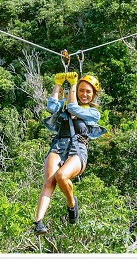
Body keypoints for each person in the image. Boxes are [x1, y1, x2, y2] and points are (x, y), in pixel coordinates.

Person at [34, 71, 107, 235]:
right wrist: (58, 84)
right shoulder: (64, 105)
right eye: (81, 90)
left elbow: (74, 108)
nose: (84, 94)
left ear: (94, 95)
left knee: (61, 176)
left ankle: (71, 203)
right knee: (49, 182)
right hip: (58, 145)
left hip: (77, 148)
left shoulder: (93, 113)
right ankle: (38, 222)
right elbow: (51, 106)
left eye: (88, 92)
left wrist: (73, 85)